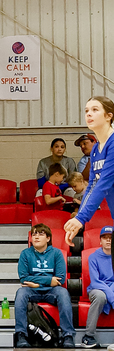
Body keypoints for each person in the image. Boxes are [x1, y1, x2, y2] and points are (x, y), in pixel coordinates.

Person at [14, 223, 75, 348]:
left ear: (48, 238)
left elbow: (60, 278)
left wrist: (37, 282)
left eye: (40, 234)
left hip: (52, 290)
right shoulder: (25, 253)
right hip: (32, 290)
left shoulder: (56, 253)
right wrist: (48, 280)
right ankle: (21, 334)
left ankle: (68, 335)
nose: (36, 237)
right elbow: (24, 278)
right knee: (20, 293)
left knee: (63, 293)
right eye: (34, 234)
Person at [65, 97, 114, 247]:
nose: (89, 114)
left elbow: (104, 183)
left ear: (109, 116)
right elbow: (92, 186)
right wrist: (79, 217)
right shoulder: (95, 151)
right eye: (86, 111)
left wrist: (81, 218)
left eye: (95, 110)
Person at [80, 226, 114, 349]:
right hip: (97, 288)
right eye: (105, 238)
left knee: (105, 295)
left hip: (112, 288)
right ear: (100, 241)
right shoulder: (93, 257)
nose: (108, 240)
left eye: (111, 237)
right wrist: (112, 297)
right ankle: (88, 336)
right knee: (100, 296)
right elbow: (95, 282)